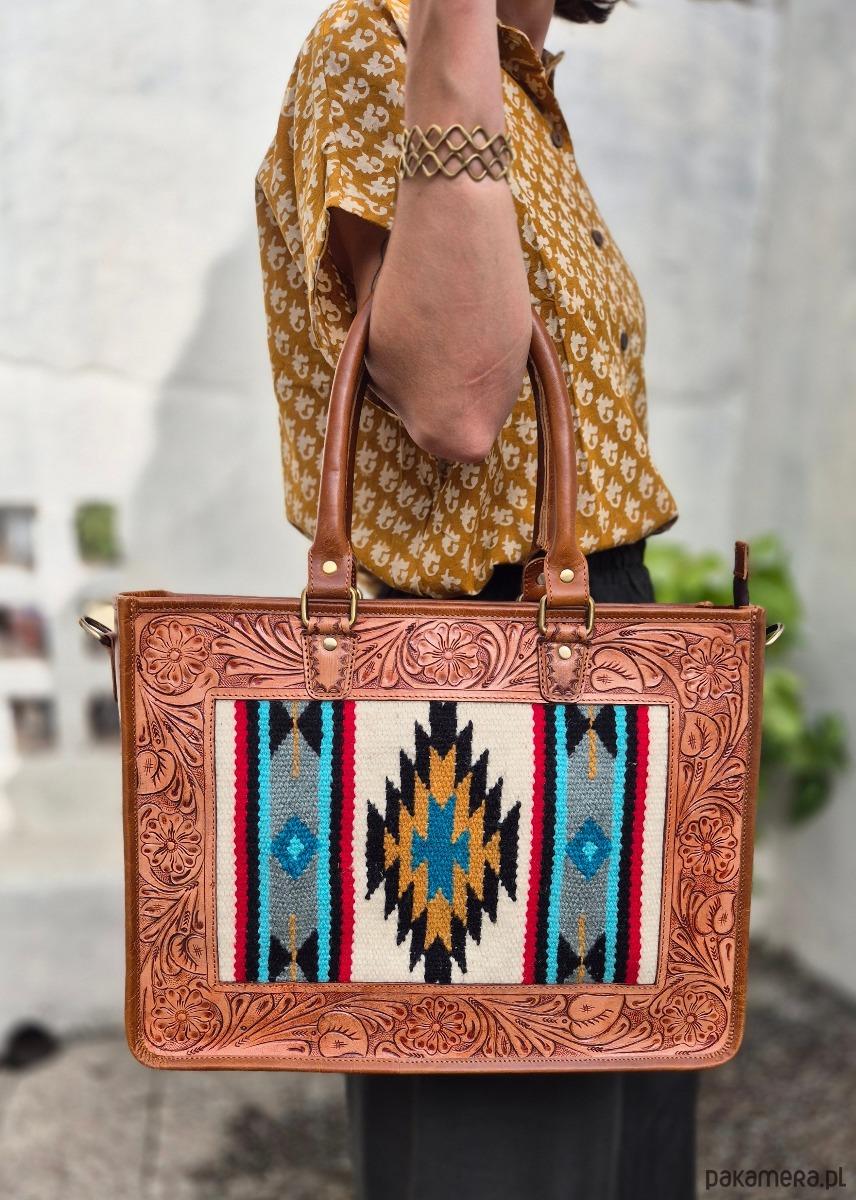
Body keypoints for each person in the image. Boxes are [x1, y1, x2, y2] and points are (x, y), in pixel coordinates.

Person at [256, 2, 695, 1198]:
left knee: (626, 1116)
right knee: (503, 1144)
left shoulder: (518, 81)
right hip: (472, 698)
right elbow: (457, 401)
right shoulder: (380, 43)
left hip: (597, 647)